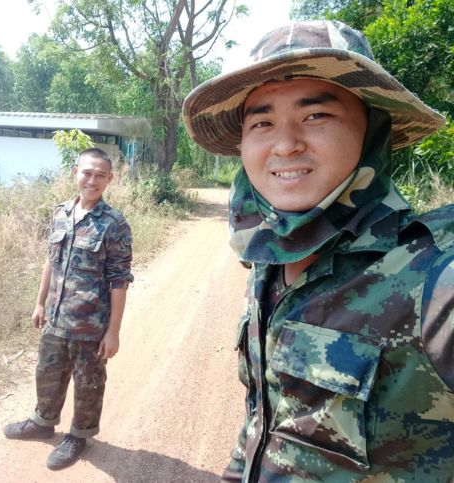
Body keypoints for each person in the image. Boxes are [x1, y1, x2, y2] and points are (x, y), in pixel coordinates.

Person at [183, 20, 454, 482]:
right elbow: (264, 413)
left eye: (316, 116)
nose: (285, 145)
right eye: (262, 122)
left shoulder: (431, 275)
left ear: (373, 128)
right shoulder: (269, 263)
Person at [3, 148, 134, 471]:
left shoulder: (114, 224)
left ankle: (79, 434)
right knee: (47, 371)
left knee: (88, 382)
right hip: (55, 317)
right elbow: (51, 261)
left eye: (100, 175)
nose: (92, 180)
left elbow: (119, 280)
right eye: (87, 173)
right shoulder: (61, 212)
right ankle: (42, 421)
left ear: (110, 179)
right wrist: (40, 302)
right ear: (76, 172)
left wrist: (113, 332)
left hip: (91, 324)